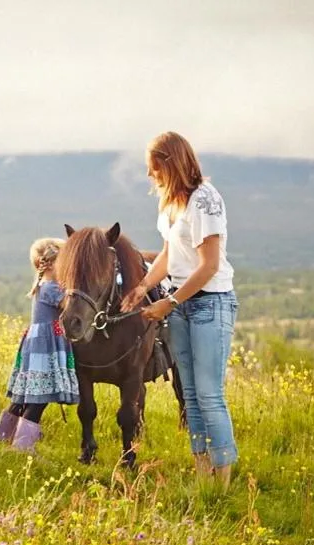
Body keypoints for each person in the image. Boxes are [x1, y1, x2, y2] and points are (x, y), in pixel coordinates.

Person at [121, 131, 239, 489]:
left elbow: (208, 266)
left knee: (209, 395)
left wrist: (169, 302)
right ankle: (203, 473)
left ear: (170, 164)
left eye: (153, 168)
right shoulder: (171, 203)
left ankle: (223, 481)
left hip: (208, 304)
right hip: (182, 306)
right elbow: (170, 253)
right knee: (189, 392)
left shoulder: (205, 200)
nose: (149, 176)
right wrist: (142, 287)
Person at [0, 237, 79, 452]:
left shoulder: (43, 285)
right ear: (51, 264)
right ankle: (23, 446)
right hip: (46, 347)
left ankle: (4, 436)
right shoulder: (52, 288)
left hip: (37, 346)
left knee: (24, 396)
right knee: (38, 399)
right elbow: (70, 307)